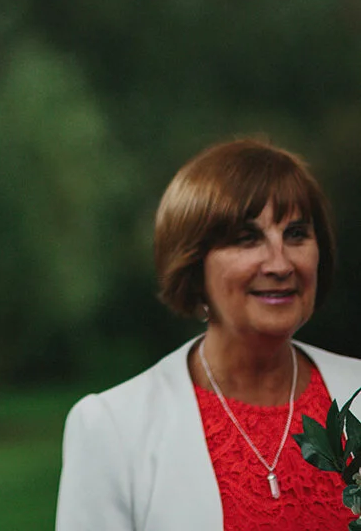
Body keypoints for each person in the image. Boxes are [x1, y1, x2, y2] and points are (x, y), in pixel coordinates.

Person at [56, 138, 361, 531]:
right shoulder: (113, 428)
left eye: (296, 234)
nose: (280, 263)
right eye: (248, 239)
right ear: (193, 263)